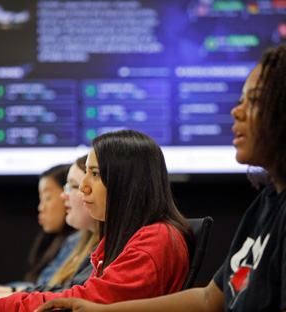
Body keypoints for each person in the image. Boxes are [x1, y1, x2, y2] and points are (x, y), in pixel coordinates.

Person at [28, 44, 286, 312]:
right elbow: (210, 299)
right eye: (240, 100)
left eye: (254, 100)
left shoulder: (155, 239)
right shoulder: (265, 204)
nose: (236, 111)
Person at [0, 130, 194, 312]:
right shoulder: (135, 236)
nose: (83, 187)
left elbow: (83, 303)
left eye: (93, 174)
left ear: (126, 182)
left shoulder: (155, 239)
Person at [0, 155, 100, 299]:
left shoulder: (110, 247)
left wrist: (5, 297)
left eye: (47, 198)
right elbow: (53, 290)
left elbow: (67, 299)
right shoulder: (78, 241)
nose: (64, 196)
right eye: (67, 187)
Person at [0, 164, 78, 296]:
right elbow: (40, 287)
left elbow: (50, 291)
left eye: (47, 198)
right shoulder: (58, 242)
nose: (41, 208)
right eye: (40, 199)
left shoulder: (79, 242)